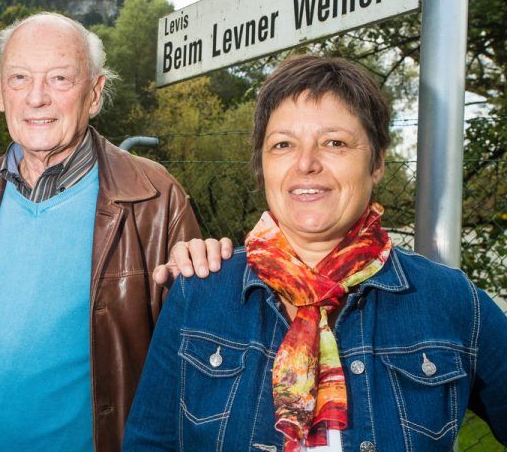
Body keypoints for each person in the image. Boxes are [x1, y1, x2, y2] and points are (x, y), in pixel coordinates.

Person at [123, 56, 507, 451]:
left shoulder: (451, 301)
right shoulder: (200, 292)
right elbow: (148, 443)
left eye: (335, 142)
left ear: (376, 163)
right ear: (262, 166)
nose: (306, 164)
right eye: (283, 145)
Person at [0, 12, 201, 452]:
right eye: (19, 78)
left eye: (60, 79)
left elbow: (192, 372)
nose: (36, 98)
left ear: (95, 93)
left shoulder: (155, 198)